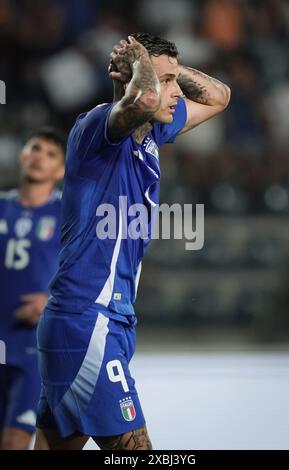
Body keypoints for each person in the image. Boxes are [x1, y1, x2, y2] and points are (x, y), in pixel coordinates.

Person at [34, 33, 230, 451]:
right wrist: (140, 64)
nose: (176, 92)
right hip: (88, 318)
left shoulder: (151, 136)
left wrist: (163, 69)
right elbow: (141, 101)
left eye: (176, 81)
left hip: (106, 321)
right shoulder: (95, 129)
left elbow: (219, 97)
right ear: (131, 81)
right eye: (167, 82)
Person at [0, 128, 65, 450]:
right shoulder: (1, 205)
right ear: (23, 154)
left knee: (14, 440)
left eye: (51, 154)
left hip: (31, 346)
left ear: (61, 170)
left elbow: (91, 272)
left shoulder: (69, 215)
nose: (40, 156)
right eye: (35, 148)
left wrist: (52, 301)